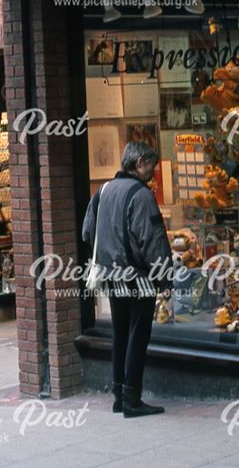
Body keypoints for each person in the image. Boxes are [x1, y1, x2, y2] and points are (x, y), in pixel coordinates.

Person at [81, 142, 173, 418]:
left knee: (120, 333)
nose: (154, 171)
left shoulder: (103, 190)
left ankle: (119, 396)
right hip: (138, 277)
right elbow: (153, 241)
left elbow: (87, 232)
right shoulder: (142, 195)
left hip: (111, 276)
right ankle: (133, 399)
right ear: (139, 162)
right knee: (138, 334)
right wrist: (164, 278)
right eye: (152, 165)